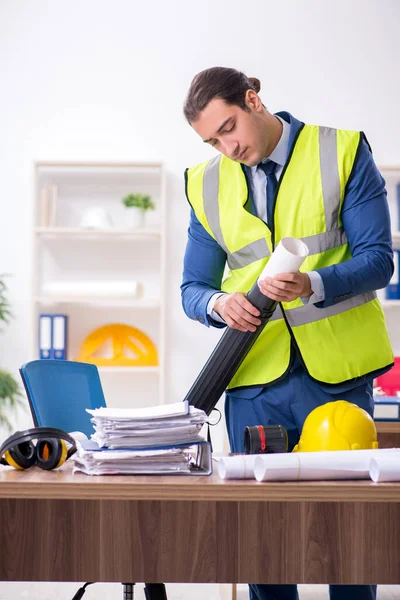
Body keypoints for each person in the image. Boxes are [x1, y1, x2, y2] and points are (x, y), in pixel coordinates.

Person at [180, 66, 394, 600]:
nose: (226, 148)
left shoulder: (341, 151)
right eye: (212, 139)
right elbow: (192, 288)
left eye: (228, 128)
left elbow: (377, 261)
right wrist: (218, 303)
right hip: (254, 384)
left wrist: (313, 283)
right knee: (265, 548)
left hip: (336, 378)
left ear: (253, 100)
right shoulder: (204, 183)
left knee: (347, 547)